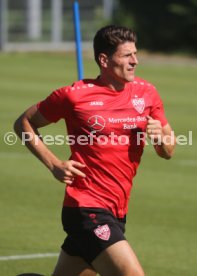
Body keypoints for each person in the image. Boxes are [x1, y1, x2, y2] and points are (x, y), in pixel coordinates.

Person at [14, 25, 176, 276]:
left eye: (135, 53)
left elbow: (168, 150)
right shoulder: (73, 95)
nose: (135, 61)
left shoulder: (147, 93)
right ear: (104, 59)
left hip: (117, 210)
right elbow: (24, 123)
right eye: (126, 55)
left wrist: (160, 140)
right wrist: (54, 164)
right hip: (85, 207)